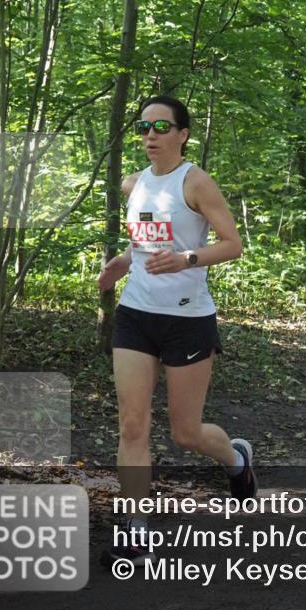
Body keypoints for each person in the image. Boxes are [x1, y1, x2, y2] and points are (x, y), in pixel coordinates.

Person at [97, 96, 255, 566]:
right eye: (144, 127)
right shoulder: (135, 183)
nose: (150, 135)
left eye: (161, 127)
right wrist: (123, 263)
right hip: (136, 314)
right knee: (132, 424)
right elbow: (145, 242)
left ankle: (237, 460)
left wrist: (187, 259)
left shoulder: (197, 182)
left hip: (187, 319)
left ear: (183, 134)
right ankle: (136, 527)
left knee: (185, 433)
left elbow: (232, 245)